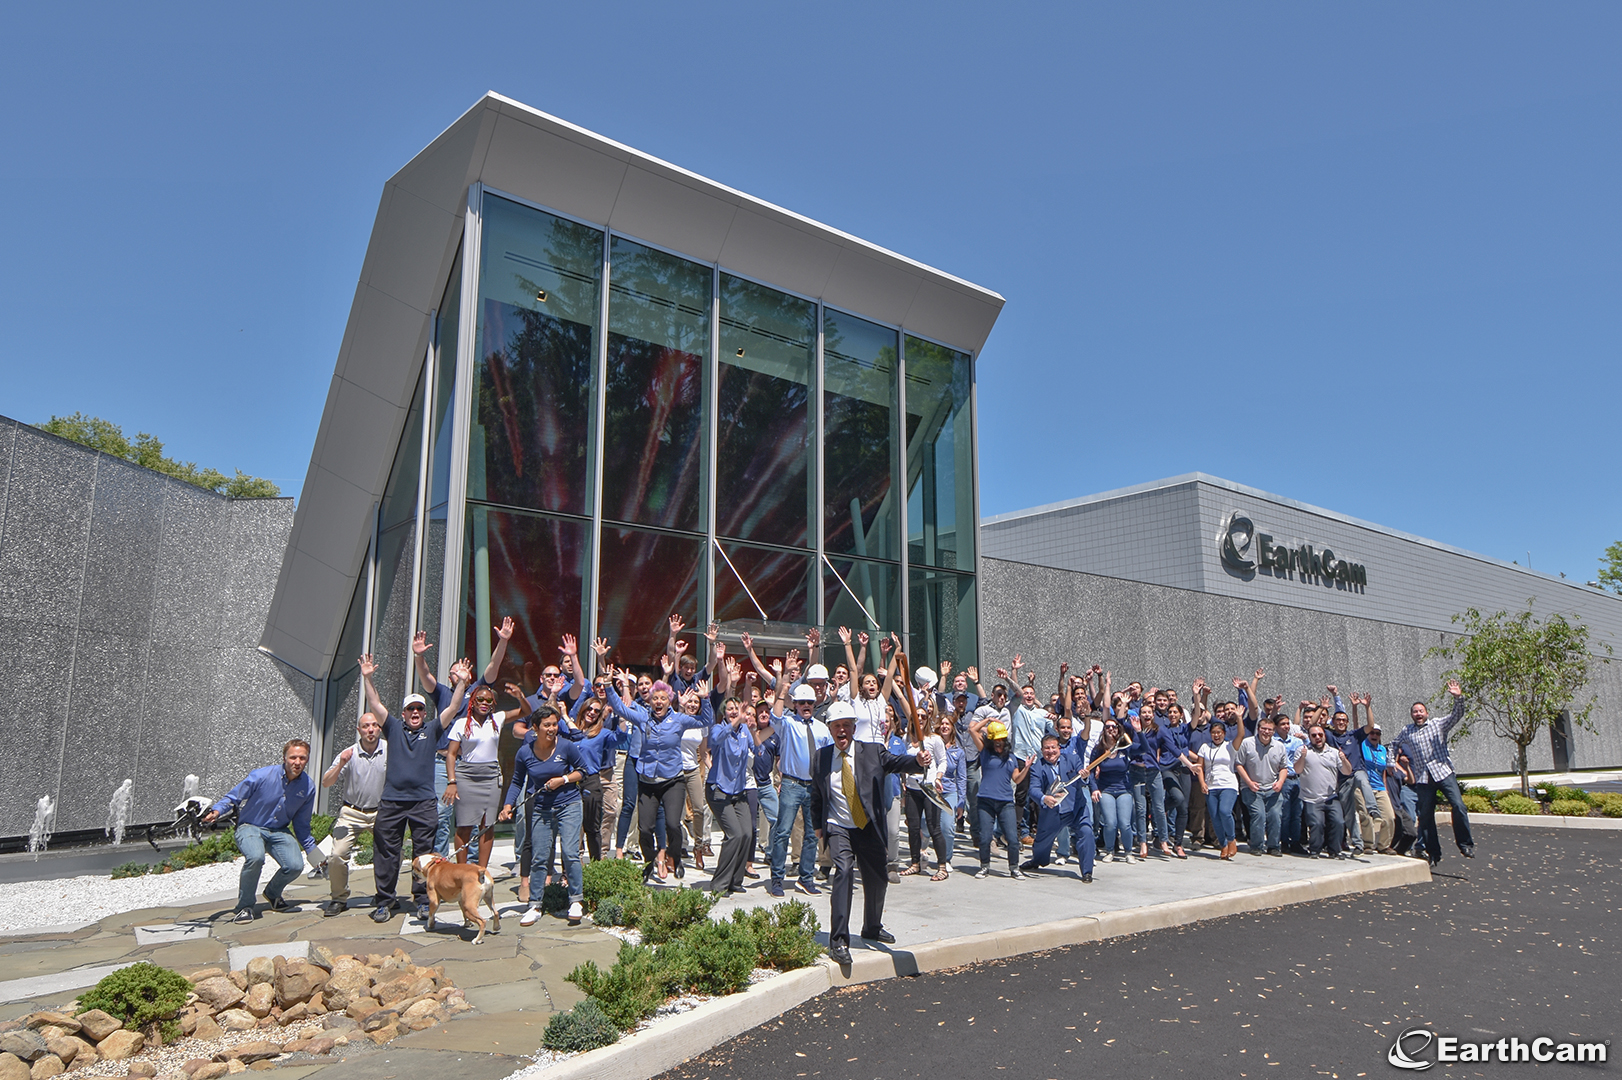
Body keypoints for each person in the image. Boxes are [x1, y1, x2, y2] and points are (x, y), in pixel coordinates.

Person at [809, 702, 928, 965]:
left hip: (867, 827)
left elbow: (897, 762)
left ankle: (872, 927)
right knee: (843, 873)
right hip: (838, 826)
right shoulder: (821, 757)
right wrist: (818, 825)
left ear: (854, 728)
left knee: (878, 879)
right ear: (830, 729)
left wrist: (917, 762)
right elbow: (816, 793)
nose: (842, 730)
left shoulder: (873, 751)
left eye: (846, 725)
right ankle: (839, 941)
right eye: (837, 726)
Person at [360, 654, 445, 923]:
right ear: (404, 713)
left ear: (424, 713)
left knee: (424, 854)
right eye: (411, 709)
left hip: (423, 802)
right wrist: (367, 677)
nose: (416, 713)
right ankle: (385, 901)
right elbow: (375, 704)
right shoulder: (393, 727)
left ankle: (423, 900)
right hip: (392, 801)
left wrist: (464, 685)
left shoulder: (432, 729)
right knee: (386, 852)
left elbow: (454, 707)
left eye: (420, 708)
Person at [610, 670, 716, 881]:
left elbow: (706, 720)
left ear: (670, 701)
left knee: (672, 824)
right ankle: (650, 862)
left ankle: (674, 858)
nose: (659, 702)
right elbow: (620, 708)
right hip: (648, 780)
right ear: (650, 701)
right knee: (645, 828)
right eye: (655, 698)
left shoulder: (679, 720)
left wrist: (705, 698)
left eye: (663, 698)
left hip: (672, 780)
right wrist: (607, 686)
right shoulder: (643, 718)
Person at [205, 739, 322, 924]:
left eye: (302, 758)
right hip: (250, 827)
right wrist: (217, 811)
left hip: (279, 831)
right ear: (284, 758)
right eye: (293, 757)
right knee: (255, 857)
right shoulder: (261, 775)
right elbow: (234, 796)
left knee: (295, 866)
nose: (297, 762)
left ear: (307, 759)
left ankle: (273, 893)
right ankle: (244, 907)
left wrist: (316, 857)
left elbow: (302, 826)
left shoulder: (308, 787)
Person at [502, 704, 588, 925]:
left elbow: (583, 771)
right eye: (547, 725)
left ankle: (576, 900)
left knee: (570, 852)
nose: (552, 729)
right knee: (539, 857)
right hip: (541, 808)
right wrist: (508, 805)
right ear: (535, 728)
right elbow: (517, 781)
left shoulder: (567, 746)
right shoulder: (525, 752)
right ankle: (535, 904)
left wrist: (563, 779)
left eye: (554, 724)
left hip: (569, 804)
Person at [445, 679, 531, 873]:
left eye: (489, 700)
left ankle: (481, 872)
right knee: (465, 825)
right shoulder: (461, 723)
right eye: (480, 699)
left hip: (491, 775)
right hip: (467, 775)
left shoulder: (497, 719)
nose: (484, 703)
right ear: (473, 702)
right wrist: (452, 782)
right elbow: (451, 754)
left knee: (487, 824)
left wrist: (520, 696)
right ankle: (462, 872)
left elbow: (525, 711)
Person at [766, 664, 832, 898]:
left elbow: (828, 758)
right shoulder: (788, 723)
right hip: (792, 785)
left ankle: (806, 878)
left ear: (814, 705)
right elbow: (775, 716)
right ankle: (777, 878)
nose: (806, 706)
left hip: (814, 786)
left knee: (812, 835)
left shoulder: (823, 729)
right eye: (802, 703)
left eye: (810, 703)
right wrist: (782, 692)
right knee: (783, 832)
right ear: (795, 705)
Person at [1393, 680, 1474, 866]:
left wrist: (1458, 698)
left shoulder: (1438, 725)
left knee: (1458, 805)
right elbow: (1394, 744)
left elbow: (1456, 715)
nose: (1418, 714)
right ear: (1412, 715)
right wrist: (1391, 762)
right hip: (1423, 778)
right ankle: (1433, 854)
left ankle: (1465, 844)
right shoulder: (1407, 731)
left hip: (1443, 772)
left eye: (1421, 711)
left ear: (1426, 713)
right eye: (1415, 712)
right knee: (1426, 816)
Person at [320, 713, 387, 916]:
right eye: (365, 726)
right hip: (351, 812)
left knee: (394, 852)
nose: (370, 730)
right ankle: (339, 898)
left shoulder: (390, 750)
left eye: (374, 725)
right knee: (337, 855)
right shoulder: (348, 753)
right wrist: (341, 763)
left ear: (380, 728)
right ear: (359, 730)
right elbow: (326, 782)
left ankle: (385, 895)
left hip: (380, 812)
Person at [1022, 733, 1096, 883]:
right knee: (1041, 842)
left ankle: (1087, 872)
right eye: (1046, 748)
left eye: (1053, 747)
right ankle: (1037, 861)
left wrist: (1084, 776)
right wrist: (1044, 798)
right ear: (1042, 750)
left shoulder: (1073, 759)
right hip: (1053, 811)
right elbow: (1033, 789)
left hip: (1077, 809)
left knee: (1087, 833)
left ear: (1059, 748)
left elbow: (1082, 779)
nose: (1050, 751)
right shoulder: (1037, 767)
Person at [968, 716, 1033, 878]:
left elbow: (1016, 779)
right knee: (985, 837)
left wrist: (1026, 768)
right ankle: (984, 866)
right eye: (995, 740)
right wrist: (988, 720)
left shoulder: (1011, 757)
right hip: (985, 801)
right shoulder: (985, 752)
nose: (999, 742)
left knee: (1012, 838)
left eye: (1001, 739)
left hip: (1006, 802)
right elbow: (972, 730)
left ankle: (1014, 867)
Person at [1297, 722, 1355, 858]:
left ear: (1325, 736)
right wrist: (1302, 757)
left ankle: (1334, 850)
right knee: (1317, 824)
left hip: (1331, 797)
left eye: (1320, 734)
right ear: (1309, 737)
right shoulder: (1303, 751)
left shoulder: (1334, 752)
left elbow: (1347, 771)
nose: (1318, 737)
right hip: (1311, 798)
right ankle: (1315, 850)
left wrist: (1344, 759)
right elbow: (1298, 770)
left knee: (1339, 822)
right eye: (1314, 735)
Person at [1235, 716, 1288, 856]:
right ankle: (1256, 846)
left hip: (1272, 788)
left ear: (1273, 731)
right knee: (1258, 815)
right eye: (1264, 729)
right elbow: (1239, 764)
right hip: (1251, 788)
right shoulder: (1247, 743)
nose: (1266, 732)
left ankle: (1273, 846)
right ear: (1258, 729)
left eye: (1270, 730)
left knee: (1275, 815)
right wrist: (1249, 782)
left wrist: (1280, 782)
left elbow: (1284, 767)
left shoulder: (1279, 746)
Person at [1349, 693, 1395, 853]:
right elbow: (1356, 726)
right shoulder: (1362, 744)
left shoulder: (1383, 750)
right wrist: (1358, 707)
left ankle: (1383, 845)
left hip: (1379, 787)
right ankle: (1368, 844)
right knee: (1365, 815)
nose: (1374, 735)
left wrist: (1385, 788)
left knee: (1389, 817)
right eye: (1372, 733)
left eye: (1377, 733)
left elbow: (1383, 771)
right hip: (1362, 786)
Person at [1091, 714, 1139, 862]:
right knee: (1110, 823)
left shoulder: (1125, 748)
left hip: (1124, 789)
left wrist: (1139, 731)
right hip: (1106, 790)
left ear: (1119, 730)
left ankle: (1128, 852)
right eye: (1108, 727)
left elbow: (1144, 749)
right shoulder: (1099, 750)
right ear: (1104, 730)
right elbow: (1091, 771)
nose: (1111, 729)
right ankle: (1110, 850)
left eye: (1114, 727)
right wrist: (1094, 788)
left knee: (1125, 824)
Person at [1195, 717, 1240, 859]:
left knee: (1224, 811)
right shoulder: (1205, 747)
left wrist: (1239, 718)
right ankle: (1223, 844)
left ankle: (1231, 839)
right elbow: (1200, 767)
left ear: (1224, 733)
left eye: (1219, 732)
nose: (1216, 735)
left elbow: (1241, 734)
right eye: (1213, 732)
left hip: (1228, 784)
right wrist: (1202, 783)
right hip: (1211, 786)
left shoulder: (1229, 745)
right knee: (1214, 817)